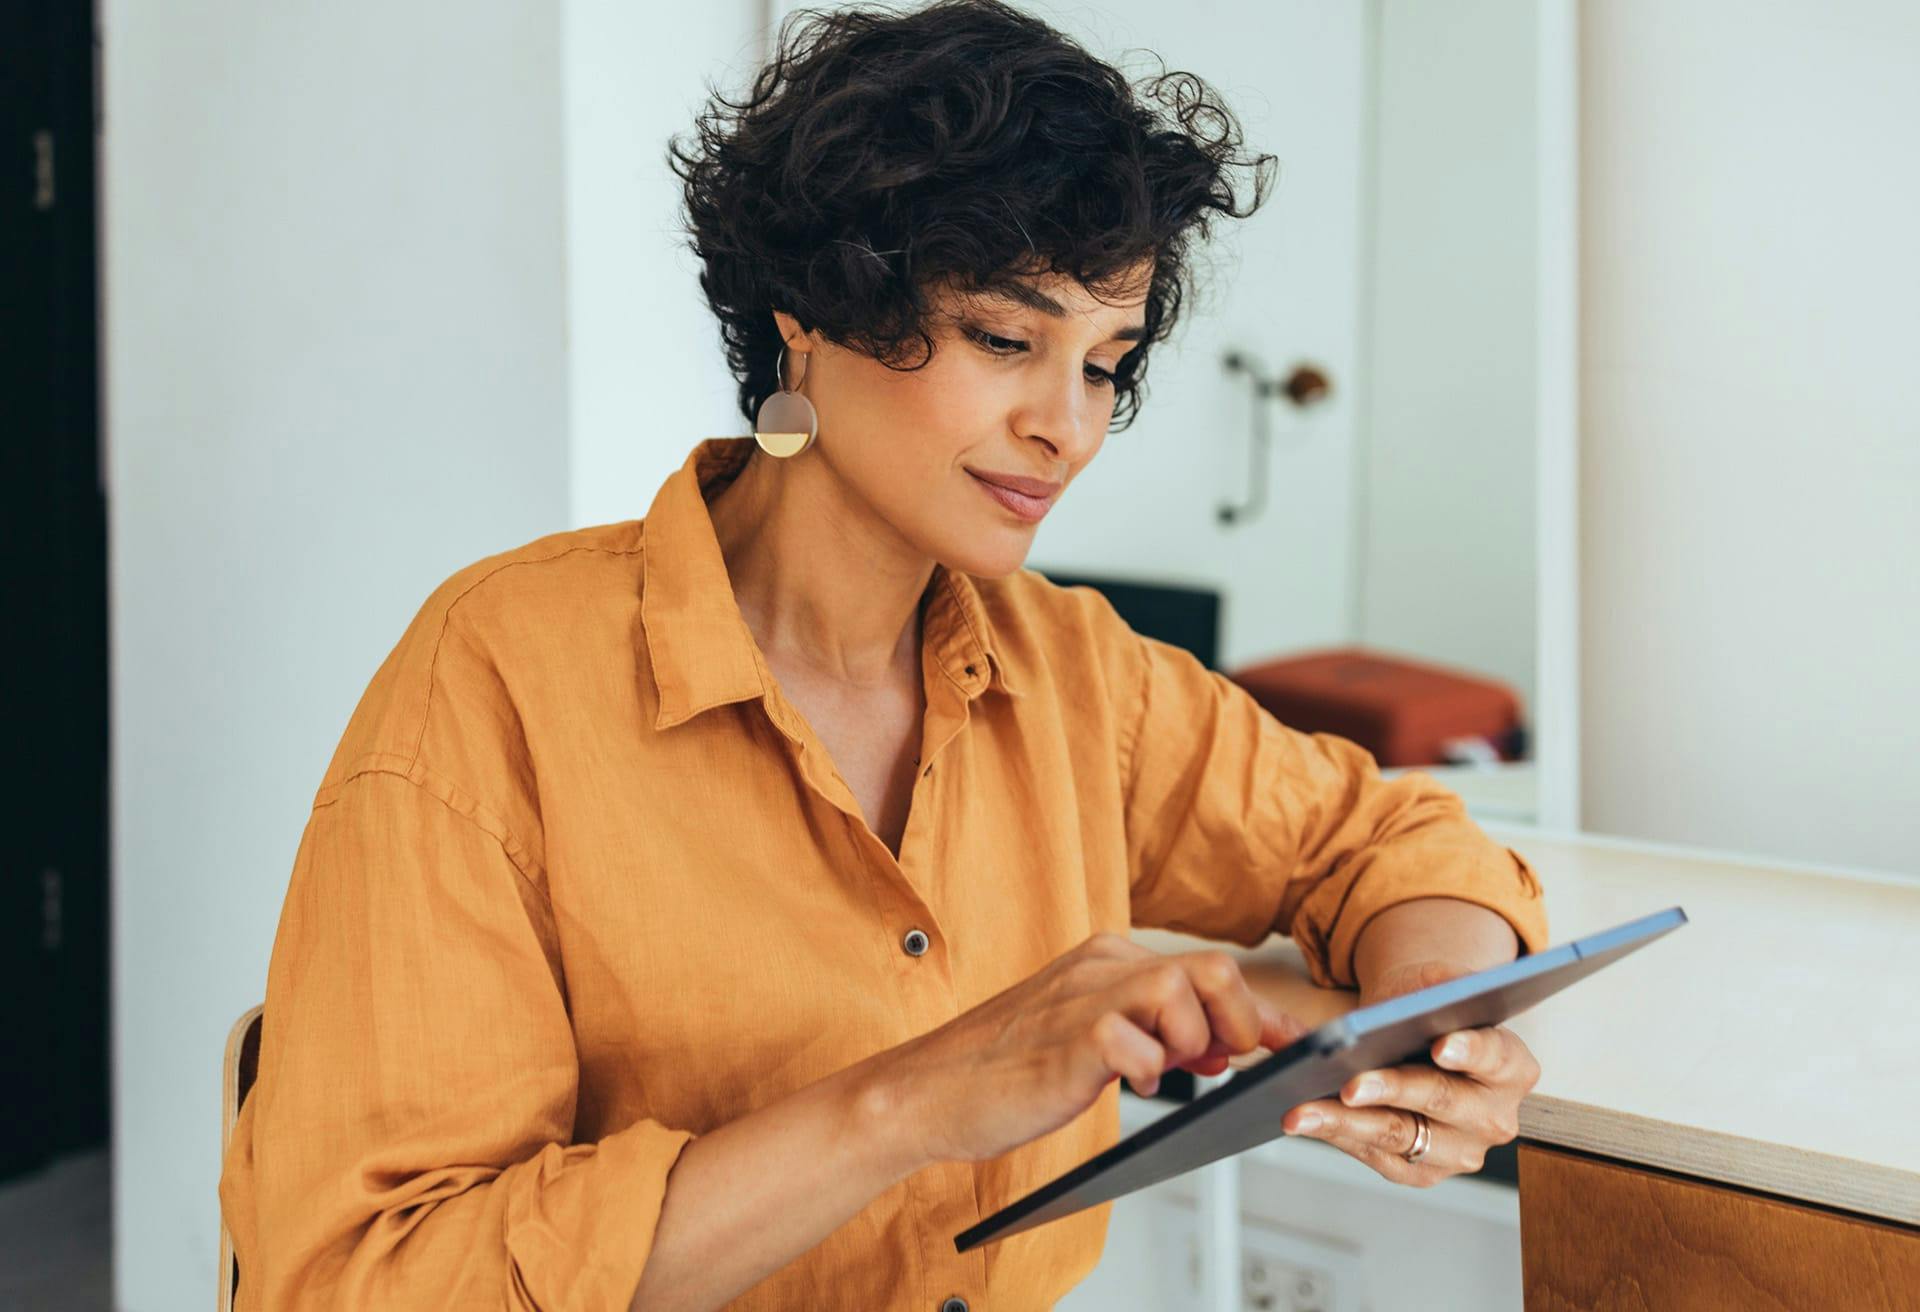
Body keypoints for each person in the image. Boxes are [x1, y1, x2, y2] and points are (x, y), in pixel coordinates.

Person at [218, 2, 1548, 1308]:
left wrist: (1432, 1027)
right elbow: (370, 1284)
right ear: (810, 308)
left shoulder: (1076, 673)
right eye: (1006, 339)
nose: (1066, 430)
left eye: (1105, 364)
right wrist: (917, 1098)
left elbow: (1398, 845)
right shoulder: (499, 681)